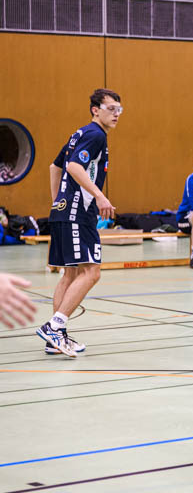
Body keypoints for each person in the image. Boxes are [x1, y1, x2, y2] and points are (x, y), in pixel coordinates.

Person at [37, 88, 122, 357]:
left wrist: (58, 202)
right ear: (95, 110)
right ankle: (55, 326)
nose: (116, 114)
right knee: (92, 272)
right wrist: (100, 196)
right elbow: (73, 167)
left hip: (65, 212)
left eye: (119, 110)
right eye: (111, 109)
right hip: (78, 213)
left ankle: (55, 337)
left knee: (71, 274)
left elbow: (55, 167)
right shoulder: (96, 135)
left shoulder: (80, 133)